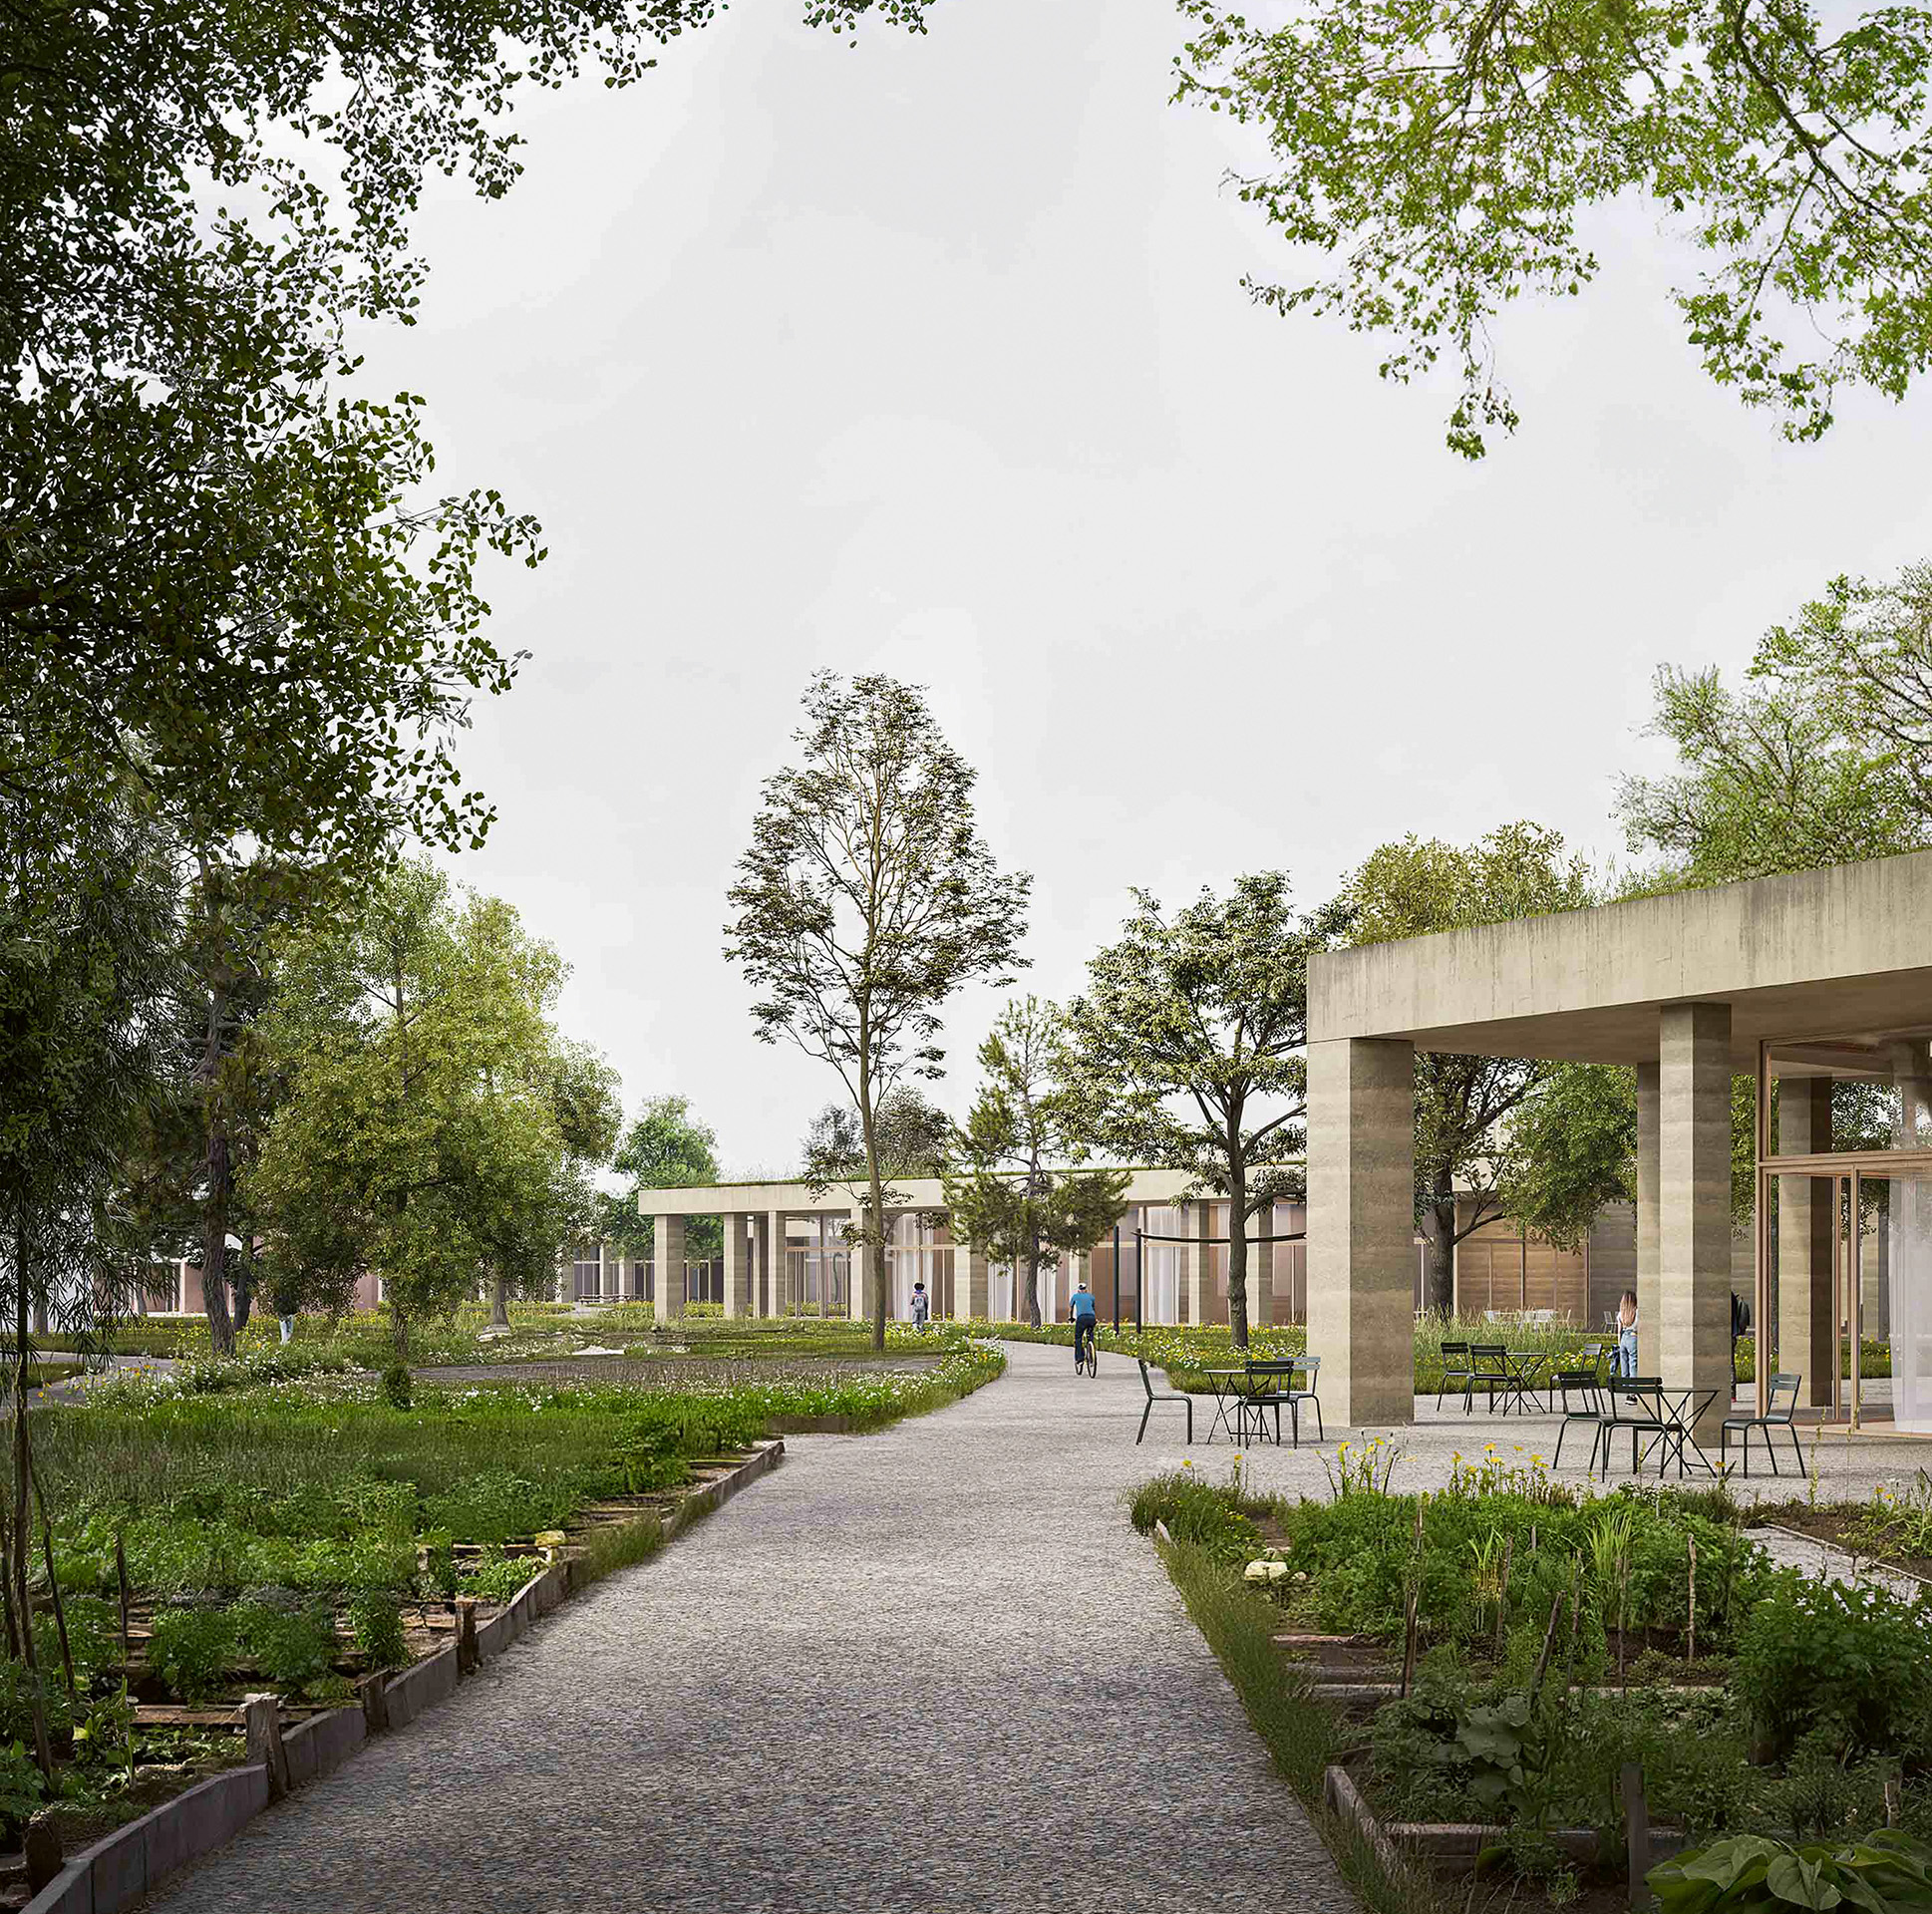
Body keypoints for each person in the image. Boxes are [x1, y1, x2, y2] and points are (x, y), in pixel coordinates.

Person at [1071, 1276, 1099, 1371]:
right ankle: (1091, 1352)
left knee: (1078, 1338)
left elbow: (1071, 1308)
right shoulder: (1091, 1296)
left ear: (1079, 1290)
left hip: (1081, 1318)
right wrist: (1095, 1318)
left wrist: (1071, 1317)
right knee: (1090, 1335)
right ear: (1086, 1290)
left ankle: (1080, 1358)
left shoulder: (1075, 1296)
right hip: (1091, 1318)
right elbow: (1093, 1308)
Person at [1613, 1289, 1639, 1378]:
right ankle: (1633, 1387)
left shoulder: (1621, 1314)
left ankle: (1625, 1386)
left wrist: (1619, 1343)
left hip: (1624, 1338)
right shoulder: (1637, 1312)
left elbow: (1619, 1331)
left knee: (1624, 1364)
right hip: (1633, 1336)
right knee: (1633, 1363)